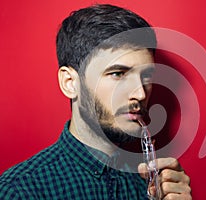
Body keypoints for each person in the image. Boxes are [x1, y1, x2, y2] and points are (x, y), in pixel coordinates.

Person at [0, 4, 192, 200]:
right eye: (118, 74)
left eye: (146, 77)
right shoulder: (20, 191)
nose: (141, 93)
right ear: (70, 83)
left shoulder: (150, 184)